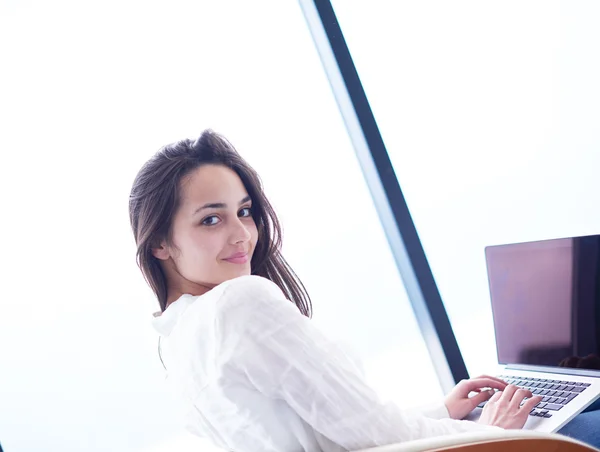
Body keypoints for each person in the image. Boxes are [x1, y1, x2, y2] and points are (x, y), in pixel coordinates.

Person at [129, 130, 600, 451]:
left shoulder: (178, 345)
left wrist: (442, 410)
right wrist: (491, 433)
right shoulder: (240, 302)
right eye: (211, 219)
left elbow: (329, 435)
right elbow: (373, 437)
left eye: (245, 211)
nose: (241, 235)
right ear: (160, 244)